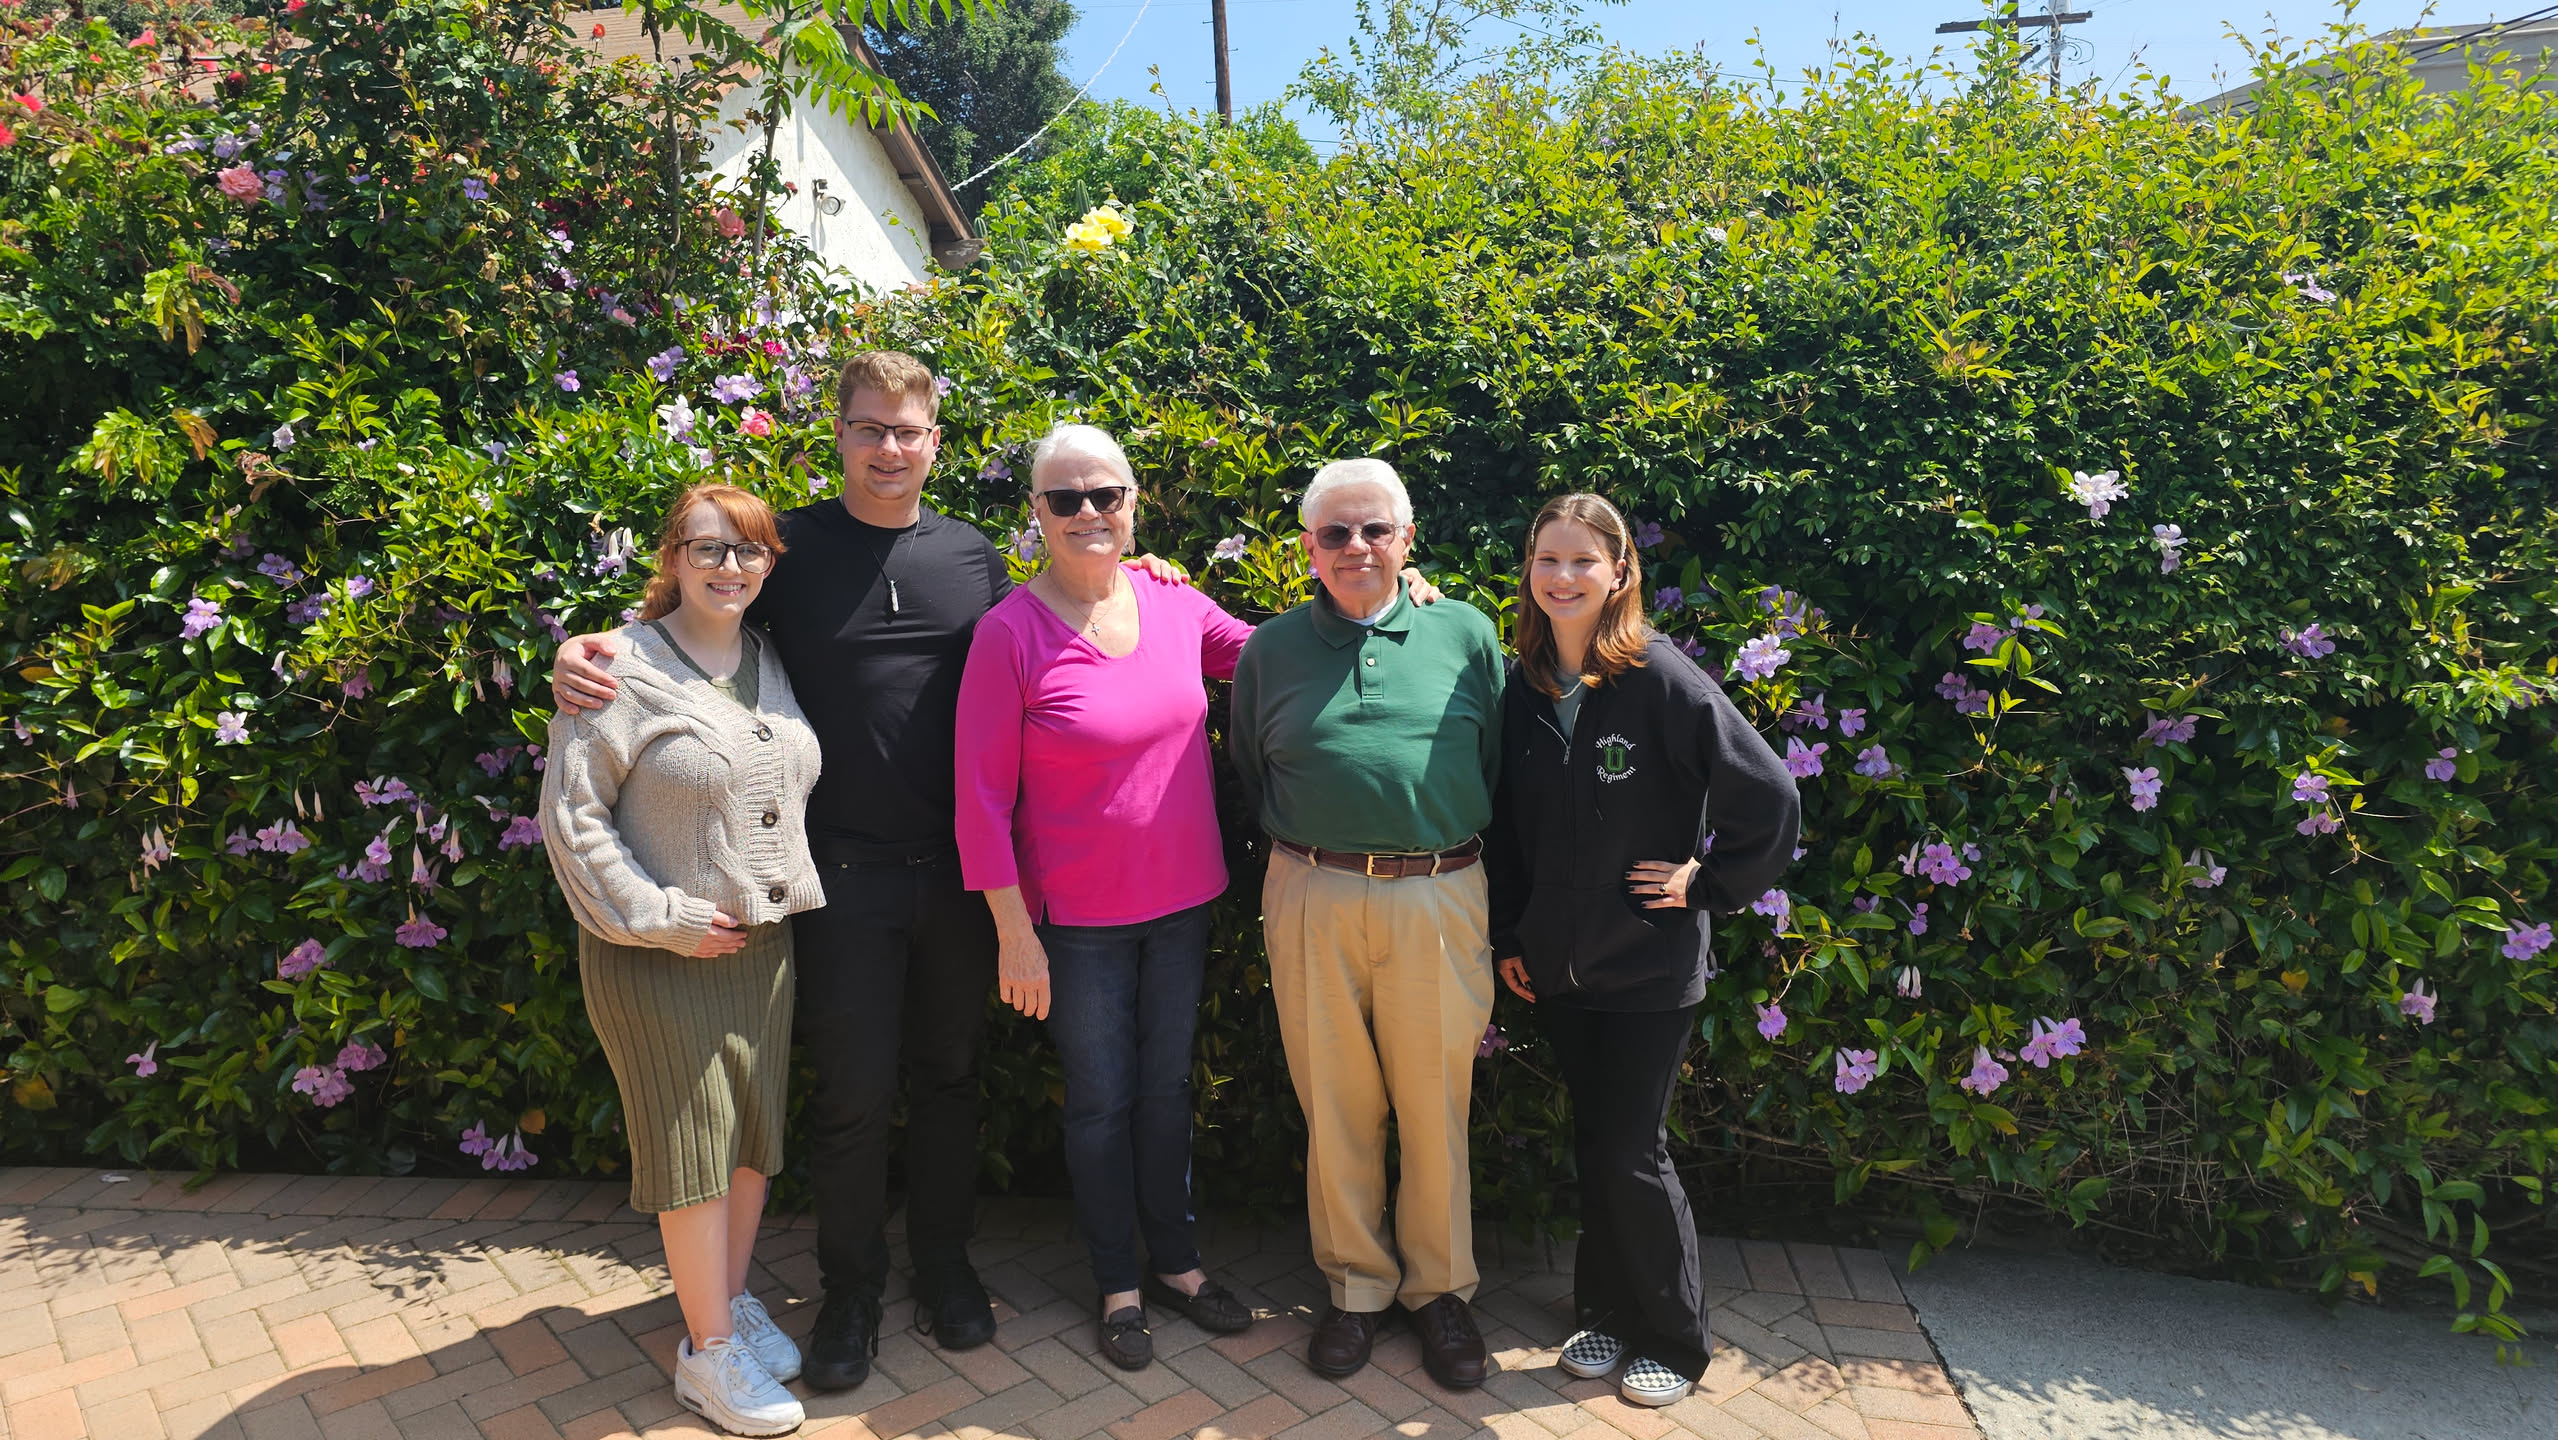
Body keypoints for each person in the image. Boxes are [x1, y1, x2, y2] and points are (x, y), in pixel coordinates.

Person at [552, 352, 1190, 1390]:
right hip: (836, 878)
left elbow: (1067, 612)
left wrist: (1148, 572)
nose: (889, 449)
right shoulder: (789, 549)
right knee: (850, 1096)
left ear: (936, 442)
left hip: (958, 876)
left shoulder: (972, 556)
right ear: (840, 435)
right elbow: (695, 619)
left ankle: (944, 1268)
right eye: (869, 429)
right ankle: (850, 1289)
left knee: (950, 1081)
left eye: (907, 431)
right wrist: (590, 648)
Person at [952, 423, 1262, 1370]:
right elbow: (979, 800)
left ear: (1133, 504)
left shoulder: (1175, 603)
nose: (1087, 512)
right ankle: (1117, 1283)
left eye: (1105, 495)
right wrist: (1014, 933)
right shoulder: (1009, 633)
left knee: (1166, 1092)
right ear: (1037, 514)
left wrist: (1395, 596)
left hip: (1183, 905)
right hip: (1077, 926)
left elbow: (1281, 656)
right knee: (1099, 1104)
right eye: (1065, 498)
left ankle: (1177, 1264)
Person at [1483, 493, 1800, 1409]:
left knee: (1632, 1149)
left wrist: (1707, 882)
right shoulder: (1525, 686)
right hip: (1558, 964)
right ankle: (1607, 1314)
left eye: (1584, 559)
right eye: (1548, 559)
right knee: (1597, 1144)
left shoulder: (1660, 677)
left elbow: (1771, 797)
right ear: (1529, 571)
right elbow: (1510, 828)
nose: (1563, 576)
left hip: (1649, 967)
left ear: (1620, 571)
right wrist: (1512, 933)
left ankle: (1675, 1339)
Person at [539, 483, 823, 1437]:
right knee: (694, 1150)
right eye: (708, 548)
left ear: (770, 563)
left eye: (749, 550)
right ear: (671, 557)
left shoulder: (769, 659)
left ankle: (727, 1303)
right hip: (658, 957)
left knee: (748, 1144)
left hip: (759, 952)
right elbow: (573, 818)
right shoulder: (617, 668)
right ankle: (707, 1355)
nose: (729, 566)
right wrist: (664, 917)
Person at [1228, 458, 1507, 1392]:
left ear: (1407, 538)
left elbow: (1496, 765)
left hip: (1440, 890)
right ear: (1308, 547)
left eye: (1375, 529)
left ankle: (1440, 1292)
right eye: (1335, 532)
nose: (1356, 546)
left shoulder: (1465, 632)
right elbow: (1251, 770)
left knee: (1435, 1104)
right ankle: (1354, 1289)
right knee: (1336, 1101)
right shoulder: (1270, 650)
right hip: (1313, 888)